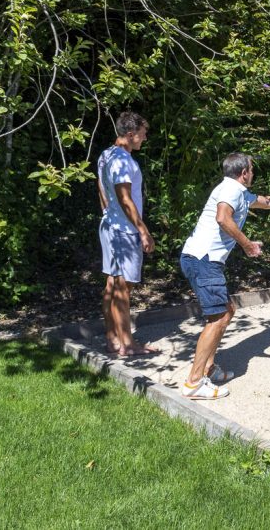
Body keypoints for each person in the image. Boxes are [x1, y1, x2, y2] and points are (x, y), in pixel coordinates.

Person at [179, 152, 270, 399]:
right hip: (203, 259)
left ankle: (208, 369)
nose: (253, 173)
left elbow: (266, 202)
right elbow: (222, 218)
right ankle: (194, 383)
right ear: (244, 173)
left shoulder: (238, 192)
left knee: (226, 311)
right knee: (217, 318)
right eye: (252, 169)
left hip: (202, 259)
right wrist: (247, 244)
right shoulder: (230, 190)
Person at [96, 111, 158, 357]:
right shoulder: (122, 160)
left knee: (112, 284)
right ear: (130, 134)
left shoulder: (106, 154)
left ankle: (112, 339)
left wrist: (106, 214)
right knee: (124, 287)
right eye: (142, 135)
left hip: (110, 226)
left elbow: (101, 189)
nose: (144, 139)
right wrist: (143, 230)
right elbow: (124, 198)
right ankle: (128, 344)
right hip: (124, 231)